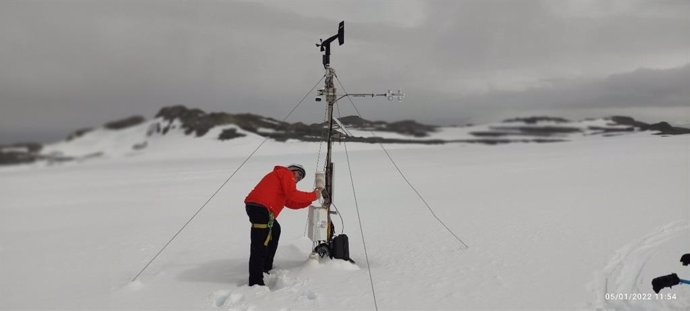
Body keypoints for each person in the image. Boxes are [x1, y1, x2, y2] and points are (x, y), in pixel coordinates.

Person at [244, 164, 322, 286]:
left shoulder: (282, 181)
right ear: (292, 170)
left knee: (275, 230)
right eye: (298, 174)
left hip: (260, 208)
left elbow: (291, 202)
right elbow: (292, 195)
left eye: (301, 177)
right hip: (261, 208)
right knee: (259, 244)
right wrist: (313, 195)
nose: (298, 178)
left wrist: (310, 200)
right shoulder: (285, 174)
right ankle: (256, 281)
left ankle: (266, 266)